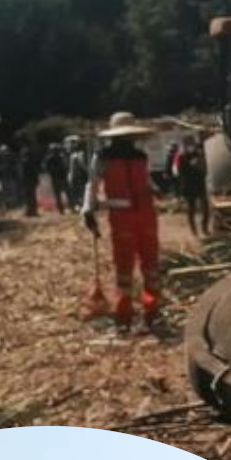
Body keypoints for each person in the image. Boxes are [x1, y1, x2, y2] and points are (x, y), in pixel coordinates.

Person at [80, 112, 164, 333]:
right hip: (127, 216)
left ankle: (148, 312)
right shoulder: (104, 157)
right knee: (129, 266)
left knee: (149, 265)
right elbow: (93, 183)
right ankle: (128, 314)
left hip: (140, 215)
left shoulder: (139, 156)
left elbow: (145, 180)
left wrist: (156, 189)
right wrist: (88, 209)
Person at [176, 135, 210, 237]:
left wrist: (199, 162)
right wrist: (191, 164)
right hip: (188, 185)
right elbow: (179, 171)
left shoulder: (198, 154)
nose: (190, 146)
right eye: (187, 144)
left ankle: (204, 228)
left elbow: (204, 168)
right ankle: (194, 231)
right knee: (192, 208)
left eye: (191, 143)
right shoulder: (181, 157)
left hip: (200, 184)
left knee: (205, 207)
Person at [65, 136, 91, 213]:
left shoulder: (79, 154)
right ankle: (78, 206)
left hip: (79, 177)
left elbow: (83, 165)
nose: (68, 146)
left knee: (81, 192)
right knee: (76, 193)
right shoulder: (72, 154)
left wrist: (87, 173)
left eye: (70, 144)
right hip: (75, 177)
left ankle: (82, 206)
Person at [18, 137, 43, 217]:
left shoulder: (27, 151)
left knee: (30, 195)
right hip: (29, 177)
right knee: (30, 195)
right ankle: (31, 210)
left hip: (29, 177)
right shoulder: (28, 150)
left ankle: (32, 211)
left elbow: (28, 163)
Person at [44, 141, 71, 212]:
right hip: (56, 177)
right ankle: (61, 209)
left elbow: (65, 166)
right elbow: (47, 168)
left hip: (61, 177)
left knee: (65, 193)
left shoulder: (60, 157)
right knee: (59, 194)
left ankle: (67, 207)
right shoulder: (50, 159)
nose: (55, 151)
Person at [0, 143, 18, 210]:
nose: (5, 153)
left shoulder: (11, 157)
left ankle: (12, 204)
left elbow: (15, 166)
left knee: (12, 191)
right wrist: (2, 168)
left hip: (11, 177)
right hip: (2, 178)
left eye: (6, 150)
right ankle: (5, 205)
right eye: (3, 151)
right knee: (3, 192)